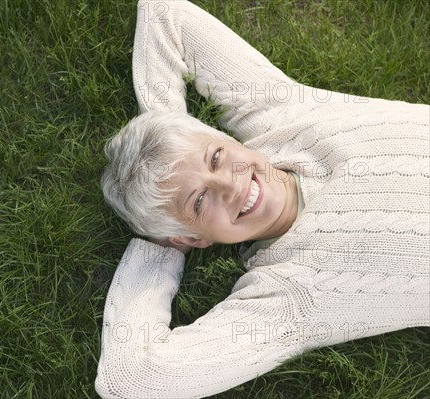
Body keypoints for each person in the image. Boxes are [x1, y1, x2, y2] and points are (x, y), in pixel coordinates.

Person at [95, 1, 430, 398]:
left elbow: (165, 14)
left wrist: (170, 132)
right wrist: (161, 245)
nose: (230, 185)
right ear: (193, 238)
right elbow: (131, 379)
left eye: (216, 157)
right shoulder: (288, 297)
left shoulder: (282, 119)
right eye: (200, 201)